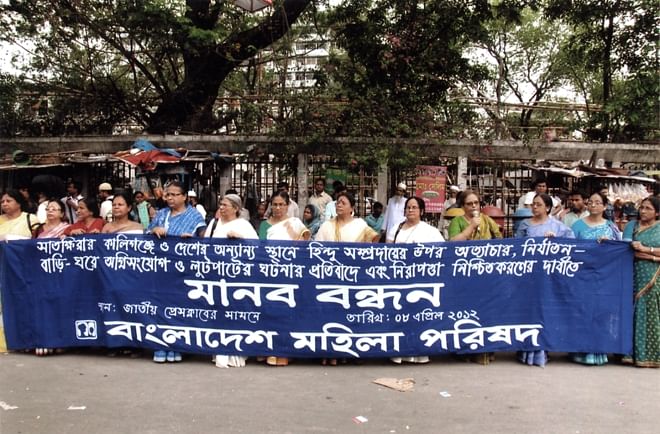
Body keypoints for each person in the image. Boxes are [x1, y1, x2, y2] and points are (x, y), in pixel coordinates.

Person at [315, 191, 380, 365]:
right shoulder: (327, 226)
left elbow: (374, 241)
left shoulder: (360, 225)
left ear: (352, 207)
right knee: (330, 315)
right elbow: (316, 249)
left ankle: (347, 351)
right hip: (330, 277)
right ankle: (329, 352)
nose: (339, 205)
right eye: (337, 202)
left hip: (353, 278)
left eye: (343, 202)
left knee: (349, 314)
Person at [147, 181, 206, 363]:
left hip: (184, 272)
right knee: (160, 307)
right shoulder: (161, 214)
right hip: (160, 270)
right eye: (168, 195)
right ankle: (161, 345)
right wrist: (153, 230)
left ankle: (177, 345)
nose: (170, 198)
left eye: (174, 194)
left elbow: (205, 242)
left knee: (179, 308)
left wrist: (192, 240)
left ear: (184, 197)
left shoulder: (195, 216)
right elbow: (147, 234)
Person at [515, 193, 574, 367]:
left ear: (548, 207)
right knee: (528, 311)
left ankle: (541, 351)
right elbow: (516, 247)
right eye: (533, 204)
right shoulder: (525, 225)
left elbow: (571, 247)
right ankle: (525, 350)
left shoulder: (558, 226)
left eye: (538, 205)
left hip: (549, 278)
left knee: (544, 312)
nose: (534, 207)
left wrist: (556, 242)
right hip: (529, 275)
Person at [205, 194, 259, 368]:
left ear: (235, 208)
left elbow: (257, 249)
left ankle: (236, 352)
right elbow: (205, 246)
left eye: (225, 205)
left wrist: (240, 241)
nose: (221, 208)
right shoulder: (214, 224)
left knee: (235, 313)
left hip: (237, 278)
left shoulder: (244, 225)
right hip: (216, 276)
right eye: (220, 204)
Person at [569, 191, 621, 366]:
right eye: (590, 201)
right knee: (583, 312)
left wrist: (609, 245)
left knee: (601, 313)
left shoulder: (611, 227)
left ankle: (598, 351)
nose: (592, 205)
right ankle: (580, 351)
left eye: (597, 202)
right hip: (582, 275)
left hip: (604, 277)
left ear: (604, 206)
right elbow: (569, 250)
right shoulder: (577, 226)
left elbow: (619, 251)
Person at [258, 191, 310, 366]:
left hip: (290, 275)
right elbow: (259, 249)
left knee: (287, 314)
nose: (278, 208)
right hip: (269, 275)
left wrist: (292, 235)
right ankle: (269, 350)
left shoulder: (295, 223)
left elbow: (304, 248)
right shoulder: (265, 225)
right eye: (275, 204)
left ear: (288, 206)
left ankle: (285, 352)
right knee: (269, 313)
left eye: (281, 204)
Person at [390, 196, 444, 364]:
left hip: (421, 280)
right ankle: (398, 353)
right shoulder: (396, 228)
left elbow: (441, 252)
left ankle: (419, 353)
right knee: (400, 316)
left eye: (414, 207)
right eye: (408, 207)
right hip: (398, 279)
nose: (410, 210)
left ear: (421, 211)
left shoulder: (430, 231)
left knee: (418, 317)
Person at [623, 197, 660, 367]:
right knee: (633, 310)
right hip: (633, 273)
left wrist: (648, 252)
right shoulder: (632, 226)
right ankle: (631, 354)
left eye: (648, 208)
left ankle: (651, 355)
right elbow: (625, 249)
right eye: (641, 207)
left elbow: (640, 251)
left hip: (653, 276)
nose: (642, 211)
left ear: (657, 212)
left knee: (650, 309)